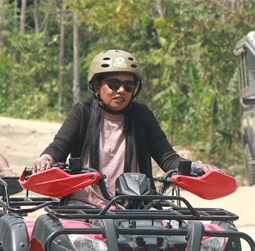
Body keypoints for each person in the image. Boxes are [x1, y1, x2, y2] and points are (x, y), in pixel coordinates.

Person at [30, 49, 218, 207]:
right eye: (113, 84)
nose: (121, 90)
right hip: (84, 208)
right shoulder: (83, 113)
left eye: (128, 86)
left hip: (137, 207)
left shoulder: (142, 115)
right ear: (97, 86)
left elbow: (167, 157)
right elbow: (59, 147)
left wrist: (195, 166)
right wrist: (45, 159)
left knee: (176, 236)